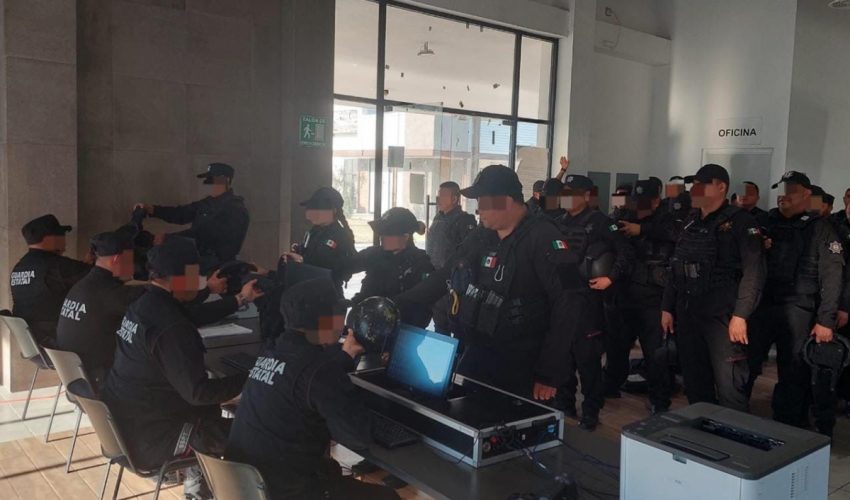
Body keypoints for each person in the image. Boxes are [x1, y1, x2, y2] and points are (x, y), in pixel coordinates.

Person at [396, 165, 576, 401]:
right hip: (481, 348)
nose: (478, 208)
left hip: (525, 359)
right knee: (458, 405)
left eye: (483, 201)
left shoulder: (543, 237)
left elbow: (569, 304)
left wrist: (549, 372)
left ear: (507, 200)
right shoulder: (483, 235)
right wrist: (398, 304)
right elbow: (446, 273)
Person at [101, 236, 262, 498]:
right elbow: (199, 393)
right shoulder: (170, 325)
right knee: (256, 432)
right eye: (196, 275)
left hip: (128, 425)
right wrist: (254, 377)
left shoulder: (144, 305)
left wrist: (240, 299)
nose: (200, 282)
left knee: (213, 411)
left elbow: (188, 316)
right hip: (155, 438)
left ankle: (199, 485)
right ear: (180, 279)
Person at [227, 278, 400, 500]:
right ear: (324, 321)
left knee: (332, 472)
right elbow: (357, 437)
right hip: (289, 492)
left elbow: (304, 377)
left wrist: (346, 355)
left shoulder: (270, 354)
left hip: (245, 486)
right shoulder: (321, 370)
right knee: (388, 497)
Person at [56, 230, 257, 386]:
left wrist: (207, 287)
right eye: (131, 258)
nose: (134, 266)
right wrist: (219, 291)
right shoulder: (115, 296)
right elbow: (176, 305)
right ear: (116, 259)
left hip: (83, 378)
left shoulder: (86, 286)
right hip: (105, 380)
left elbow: (163, 292)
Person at [746, 171, 844, 436]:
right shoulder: (766, 221)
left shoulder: (820, 228)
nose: (784, 196)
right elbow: (746, 248)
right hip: (764, 305)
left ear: (806, 195)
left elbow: (832, 276)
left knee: (792, 371)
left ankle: (787, 426)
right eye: (782, 190)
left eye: (791, 191)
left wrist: (826, 320)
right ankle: (737, 415)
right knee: (746, 364)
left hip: (798, 309)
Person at [661, 164, 765, 412]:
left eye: (702, 185)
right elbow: (677, 265)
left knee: (730, 386)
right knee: (695, 381)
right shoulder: (690, 220)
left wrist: (741, 315)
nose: (694, 190)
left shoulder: (741, 222)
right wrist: (667, 307)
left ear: (721, 187)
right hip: (689, 311)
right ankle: (702, 429)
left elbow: (754, 272)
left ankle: (734, 434)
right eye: (693, 185)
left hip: (722, 316)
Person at [554, 174, 634, 429]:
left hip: (587, 300)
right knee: (563, 357)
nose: (566, 197)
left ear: (586, 196)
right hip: (561, 299)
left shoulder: (602, 223)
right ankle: (564, 403)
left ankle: (591, 409)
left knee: (587, 359)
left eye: (572, 192)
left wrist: (611, 278)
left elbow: (625, 251)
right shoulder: (558, 222)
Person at [611, 180, 678, 415]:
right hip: (626, 293)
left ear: (657, 201)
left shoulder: (668, 218)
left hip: (654, 298)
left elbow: (676, 234)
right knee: (617, 347)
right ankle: (611, 386)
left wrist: (642, 230)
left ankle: (660, 400)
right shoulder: (625, 215)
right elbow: (608, 230)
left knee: (655, 354)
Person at [309, 207, 434, 328]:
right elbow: (344, 266)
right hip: (364, 323)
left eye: (388, 234)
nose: (381, 237)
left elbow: (422, 308)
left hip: (402, 329)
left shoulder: (420, 264)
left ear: (405, 237)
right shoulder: (375, 254)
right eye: (381, 233)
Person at [134, 163, 250, 274]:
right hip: (198, 261)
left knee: (184, 284)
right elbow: (182, 213)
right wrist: (153, 210)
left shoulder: (234, 209)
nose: (209, 185)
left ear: (226, 180)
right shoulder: (209, 203)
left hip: (215, 267)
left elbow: (205, 234)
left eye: (212, 180)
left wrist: (168, 238)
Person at [11, 214, 91, 345]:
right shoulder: (57, 266)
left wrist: (85, 265)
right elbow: (99, 276)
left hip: (34, 342)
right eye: (61, 234)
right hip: (56, 340)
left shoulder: (19, 267)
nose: (64, 239)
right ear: (49, 239)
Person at [426, 182, 477, 333]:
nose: (438, 199)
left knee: (458, 327)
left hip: (453, 286)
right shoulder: (438, 218)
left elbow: (469, 254)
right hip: (436, 282)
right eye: (438, 195)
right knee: (440, 326)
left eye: (443, 195)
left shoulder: (464, 221)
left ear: (454, 199)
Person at [292, 187, 357, 294]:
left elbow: (343, 267)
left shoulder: (340, 235)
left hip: (329, 292)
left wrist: (303, 260)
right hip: (309, 287)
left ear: (334, 211)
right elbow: (309, 252)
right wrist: (298, 251)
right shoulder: (313, 231)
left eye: (319, 209)